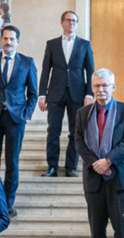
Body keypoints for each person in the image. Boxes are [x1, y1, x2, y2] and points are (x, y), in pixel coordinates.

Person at [77, 69, 124, 238]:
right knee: (97, 229)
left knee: (121, 228)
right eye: (97, 86)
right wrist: (97, 164)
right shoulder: (82, 113)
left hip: (120, 179)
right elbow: (78, 142)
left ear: (113, 87)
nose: (101, 89)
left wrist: (108, 161)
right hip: (94, 180)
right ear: (92, 88)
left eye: (105, 85)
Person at [0, 24, 37, 217]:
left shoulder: (27, 62)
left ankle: (7, 204)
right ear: (1, 40)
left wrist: (26, 114)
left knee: (12, 162)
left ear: (17, 42)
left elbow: (33, 93)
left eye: (12, 39)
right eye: (5, 38)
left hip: (15, 119)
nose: (8, 42)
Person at [38, 11, 95, 178]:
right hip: (55, 93)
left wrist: (89, 93)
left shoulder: (84, 44)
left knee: (75, 132)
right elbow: (46, 70)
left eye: (74, 21)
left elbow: (90, 70)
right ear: (62, 23)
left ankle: (71, 167)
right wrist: (42, 94)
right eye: (68, 20)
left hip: (77, 94)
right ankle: (52, 167)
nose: (72, 23)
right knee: (53, 131)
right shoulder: (52, 44)